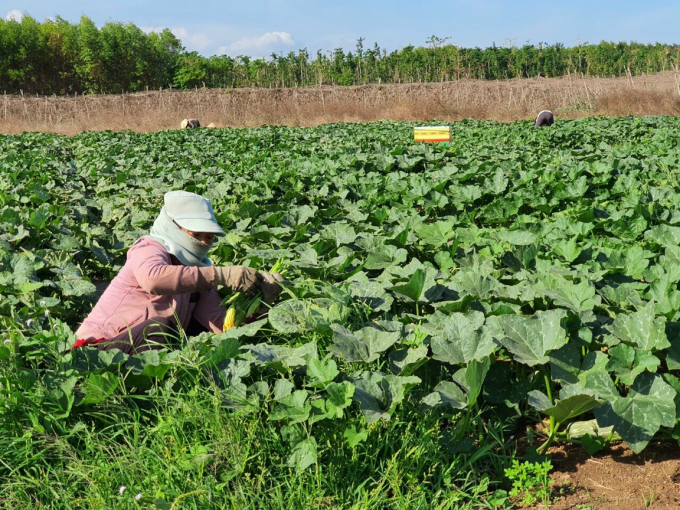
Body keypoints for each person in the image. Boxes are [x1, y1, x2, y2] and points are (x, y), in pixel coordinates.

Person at [73, 190, 282, 354]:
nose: (202, 241)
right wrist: (221, 276)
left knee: (196, 333)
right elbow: (152, 279)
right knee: (156, 328)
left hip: (145, 352)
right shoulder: (148, 248)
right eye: (196, 233)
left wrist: (260, 305)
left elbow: (220, 325)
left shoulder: (201, 272)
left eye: (208, 237)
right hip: (97, 348)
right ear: (173, 226)